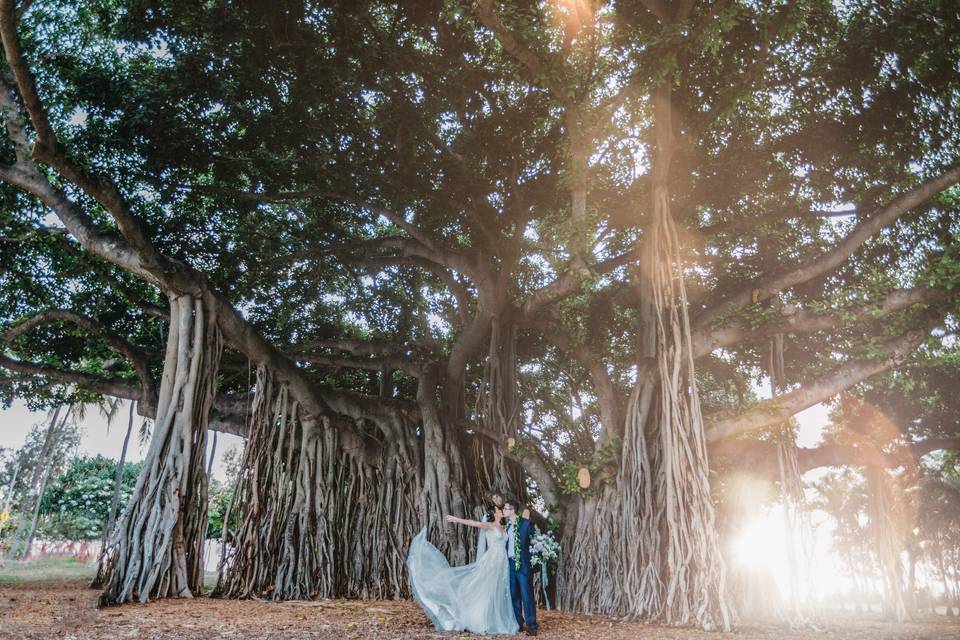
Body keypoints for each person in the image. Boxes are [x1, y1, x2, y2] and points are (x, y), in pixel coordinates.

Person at [406, 506, 519, 635]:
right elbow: (473, 523)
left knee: (498, 590)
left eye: (502, 510)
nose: (501, 512)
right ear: (494, 514)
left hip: (503, 561)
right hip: (492, 560)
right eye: (499, 510)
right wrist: (457, 519)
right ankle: (480, 620)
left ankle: (493, 619)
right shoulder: (489, 525)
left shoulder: (505, 528)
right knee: (486, 588)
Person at [503, 499, 538, 636]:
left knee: (526, 594)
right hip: (510, 564)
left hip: (523, 564)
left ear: (512, 510)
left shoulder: (526, 524)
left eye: (506, 509)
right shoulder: (507, 526)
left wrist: (531, 563)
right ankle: (518, 623)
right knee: (514, 594)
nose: (504, 511)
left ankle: (532, 625)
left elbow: (535, 544)